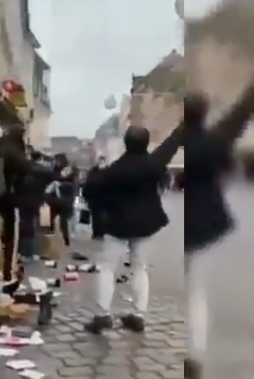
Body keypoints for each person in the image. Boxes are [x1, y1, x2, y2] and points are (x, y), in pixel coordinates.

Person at [182, 84, 254, 379]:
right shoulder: (213, 142)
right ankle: (194, 355)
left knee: (193, 289)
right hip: (205, 220)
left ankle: (193, 356)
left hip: (188, 221)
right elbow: (226, 167)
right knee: (196, 292)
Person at [81, 123, 181, 334]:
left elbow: (90, 190)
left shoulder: (115, 169)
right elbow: (170, 145)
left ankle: (103, 315)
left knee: (108, 268)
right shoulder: (154, 163)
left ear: (126, 143)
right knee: (139, 268)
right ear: (146, 143)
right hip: (146, 224)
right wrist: (182, 126)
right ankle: (138, 315)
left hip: (118, 225)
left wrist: (96, 171)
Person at [0, 126, 59, 281]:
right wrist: (53, 174)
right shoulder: (13, 152)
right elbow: (29, 169)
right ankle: (7, 272)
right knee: (10, 238)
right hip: (7, 200)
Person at [18, 150, 54, 262]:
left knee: (25, 226)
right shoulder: (44, 170)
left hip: (23, 200)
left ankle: (24, 252)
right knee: (31, 227)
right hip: (35, 201)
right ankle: (29, 253)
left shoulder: (26, 169)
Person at [46, 154, 76, 247]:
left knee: (64, 221)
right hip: (56, 201)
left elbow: (74, 186)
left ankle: (66, 240)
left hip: (64, 201)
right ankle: (59, 239)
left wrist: (60, 184)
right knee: (55, 219)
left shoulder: (70, 173)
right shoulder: (55, 172)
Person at [84, 155, 108, 240]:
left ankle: (101, 233)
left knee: (103, 216)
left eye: (102, 162)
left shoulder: (108, 172)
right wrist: (85, 196)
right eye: (100, 162)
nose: (101, 163)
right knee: (95, 216)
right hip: (94, 198)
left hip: (104, 198)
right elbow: (87, 184)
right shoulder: (93, 172)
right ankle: (96, 233)